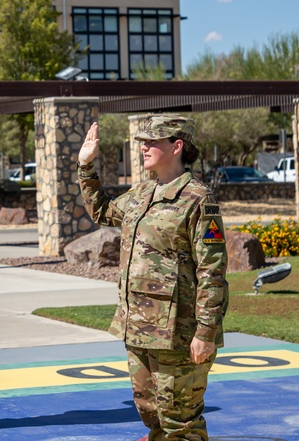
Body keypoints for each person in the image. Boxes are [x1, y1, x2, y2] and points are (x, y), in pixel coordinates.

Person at [77, 116, 229, 441]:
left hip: (178, 332)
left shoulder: (198, 199)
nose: (143, 148)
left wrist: (205, 332)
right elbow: (102, 211)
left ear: (176, 147)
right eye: (142, 142)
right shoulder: (142, 192)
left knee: (180, 421)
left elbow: (212, 270)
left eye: (151, 142)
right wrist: (85, 167)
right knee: (151, 412)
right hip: (138, 326)